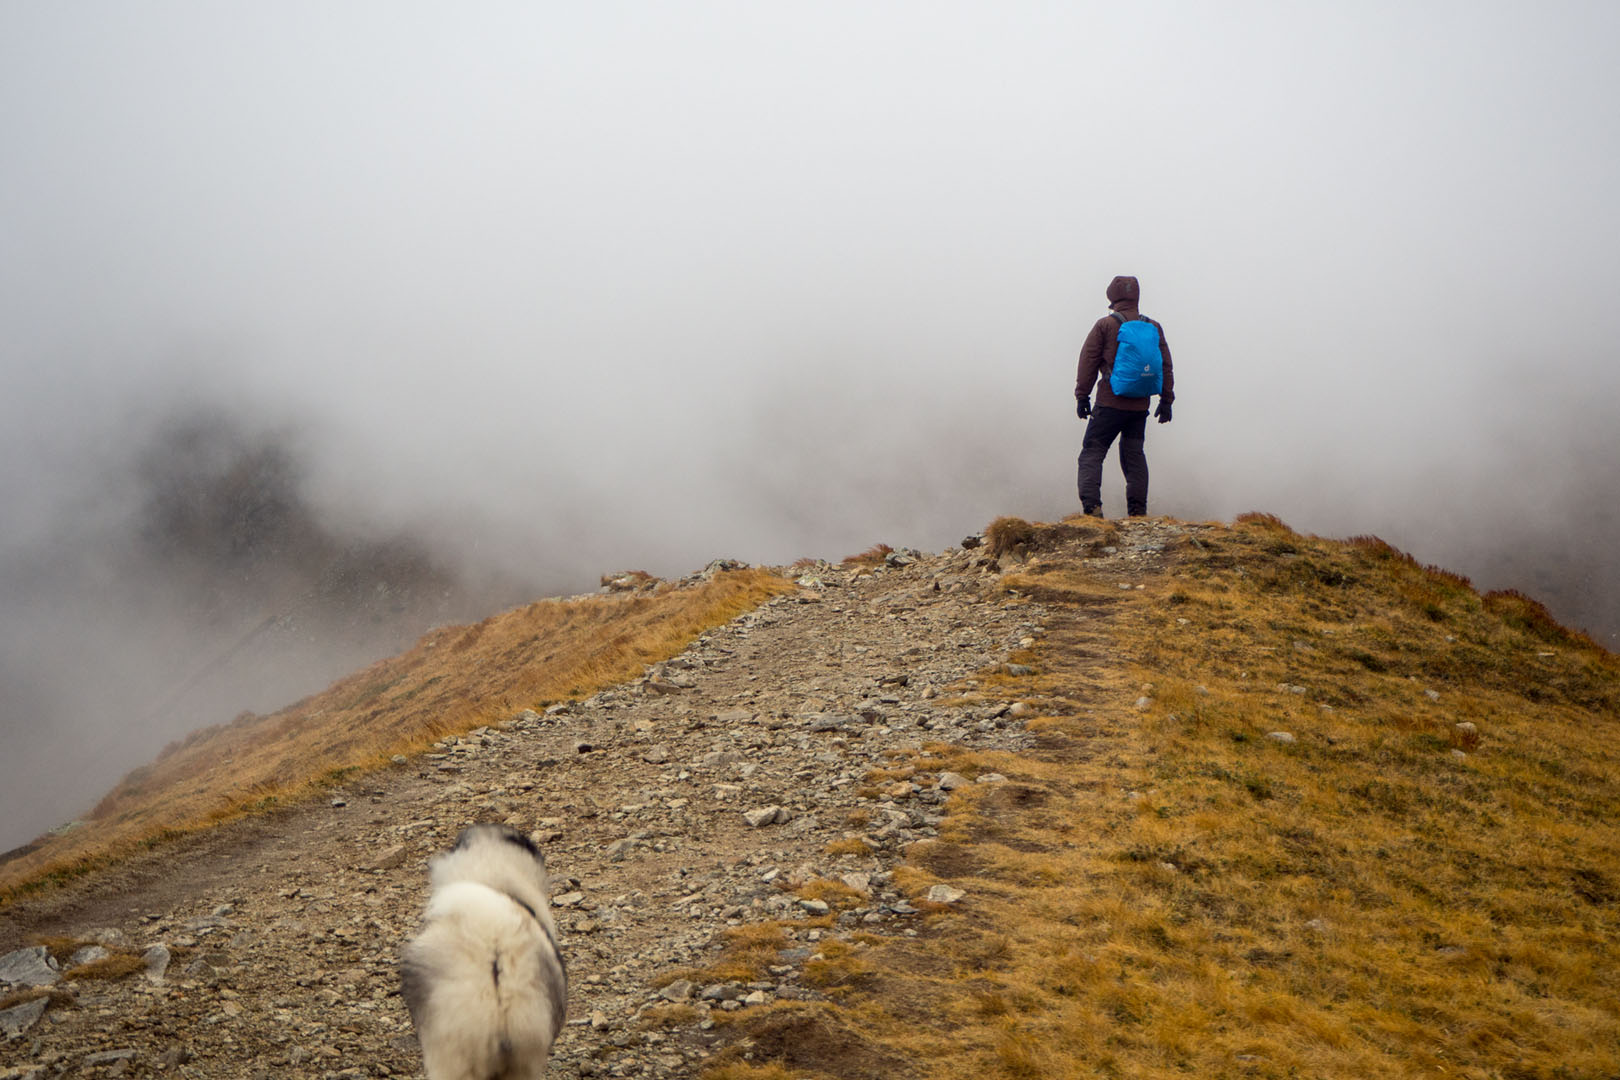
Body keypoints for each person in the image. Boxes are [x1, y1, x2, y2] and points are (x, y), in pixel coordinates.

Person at [1074, 275, 1174, 517]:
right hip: (1139, 406)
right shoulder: (1153, 326)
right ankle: (1138, 514)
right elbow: (1165, 365)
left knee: (1092, 452)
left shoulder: (1105, 325)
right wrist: (1166, 400)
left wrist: (1082, 396)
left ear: (1112, 296)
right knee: (1134, 456)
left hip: (1109, 403)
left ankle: (1092, 510)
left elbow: (1088, 361)